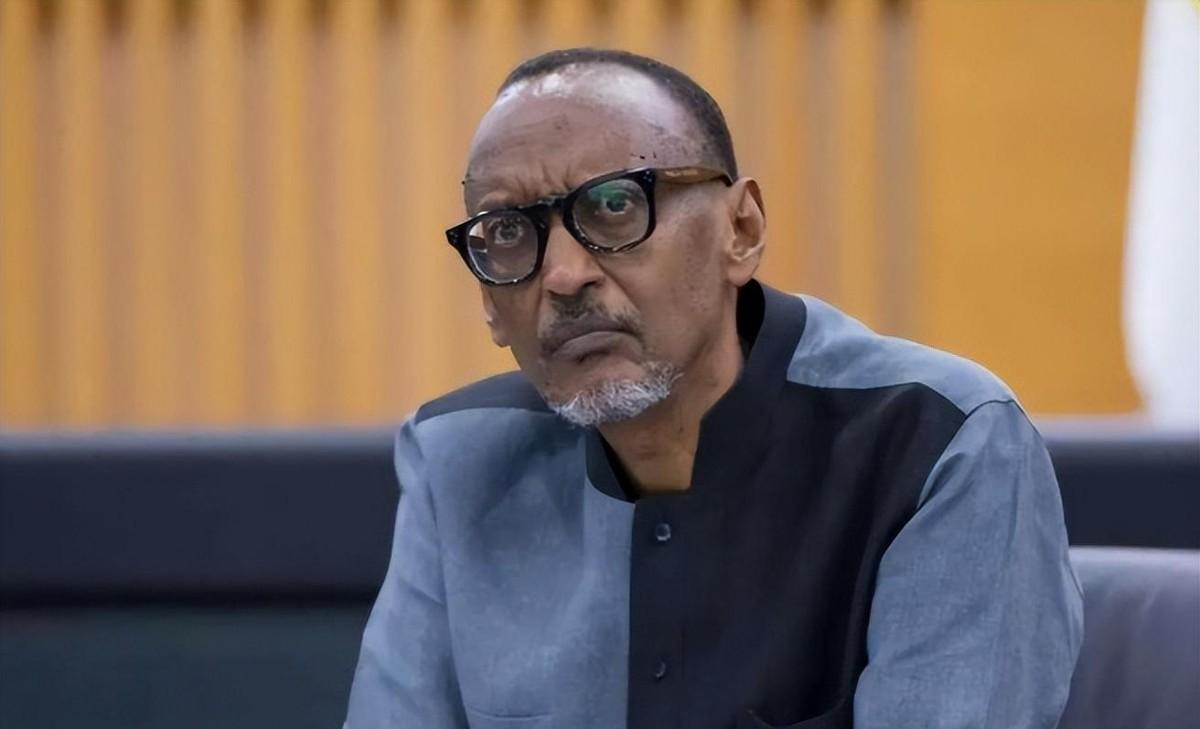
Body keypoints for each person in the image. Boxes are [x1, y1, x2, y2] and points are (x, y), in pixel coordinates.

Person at [344, 48, 1082, 729]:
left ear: (742, 230)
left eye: (614, 206)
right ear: (486, 299)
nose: (563, 275)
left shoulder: (936, 441)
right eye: (508, 234)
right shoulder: (457, 461)